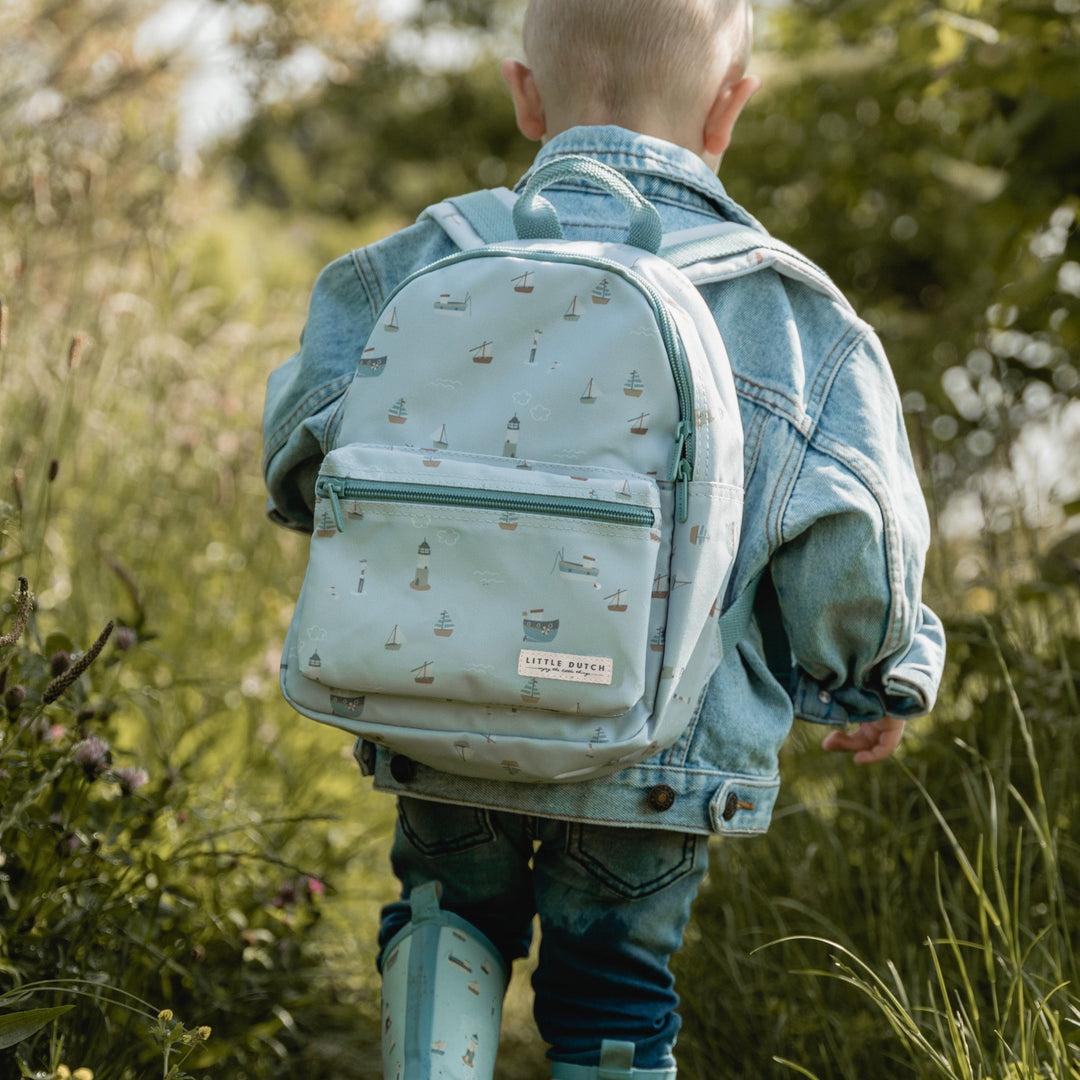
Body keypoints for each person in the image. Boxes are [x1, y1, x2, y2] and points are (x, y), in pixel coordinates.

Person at [261, 1, 947, 1077]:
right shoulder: (788, 310)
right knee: (615, 986)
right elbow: (853, 531)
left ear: (525, 95)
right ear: (730, 109)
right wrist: (870, 671)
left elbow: (302, 451)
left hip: (439, 704)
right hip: (656, 743)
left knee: (445, 918)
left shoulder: (419, 259)